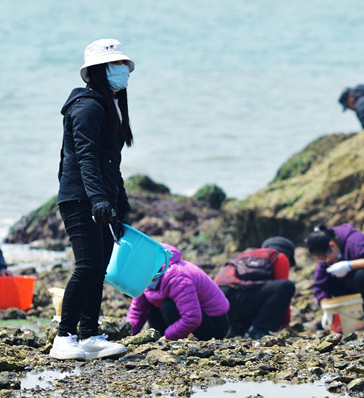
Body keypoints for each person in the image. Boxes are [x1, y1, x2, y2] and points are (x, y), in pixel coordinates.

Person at [50, 38, 135, 360]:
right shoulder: (87, 106)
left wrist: (119, 203)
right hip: (79, 198)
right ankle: (63, 338)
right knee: (86, 266)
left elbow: (110, 163)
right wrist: (98, 200)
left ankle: (88, 335)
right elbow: (85, 158)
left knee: (98, 267)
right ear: (99, 71)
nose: (123, 72)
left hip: (100, 198)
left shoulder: (107, 104)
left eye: (124, 66)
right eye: (116, 66)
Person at [126, 243, 230, 341]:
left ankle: (169, 338)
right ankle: (159, 338)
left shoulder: (177, 277)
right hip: (191, 318)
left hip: (214, 324)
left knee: (168, 306)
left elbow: (192, 318)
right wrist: (126, 336)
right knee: (149, 304)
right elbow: (137, 312)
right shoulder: (146, 277)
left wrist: (168, 337)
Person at [214, 236, 297, 339]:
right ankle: (258, 329)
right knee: (286, 286)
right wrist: (286, 323)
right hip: (236, 300)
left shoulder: (245, 255)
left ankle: (240, 330)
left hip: (218, 303)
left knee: (260, 292)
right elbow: (283, 293)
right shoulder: (279, 256)